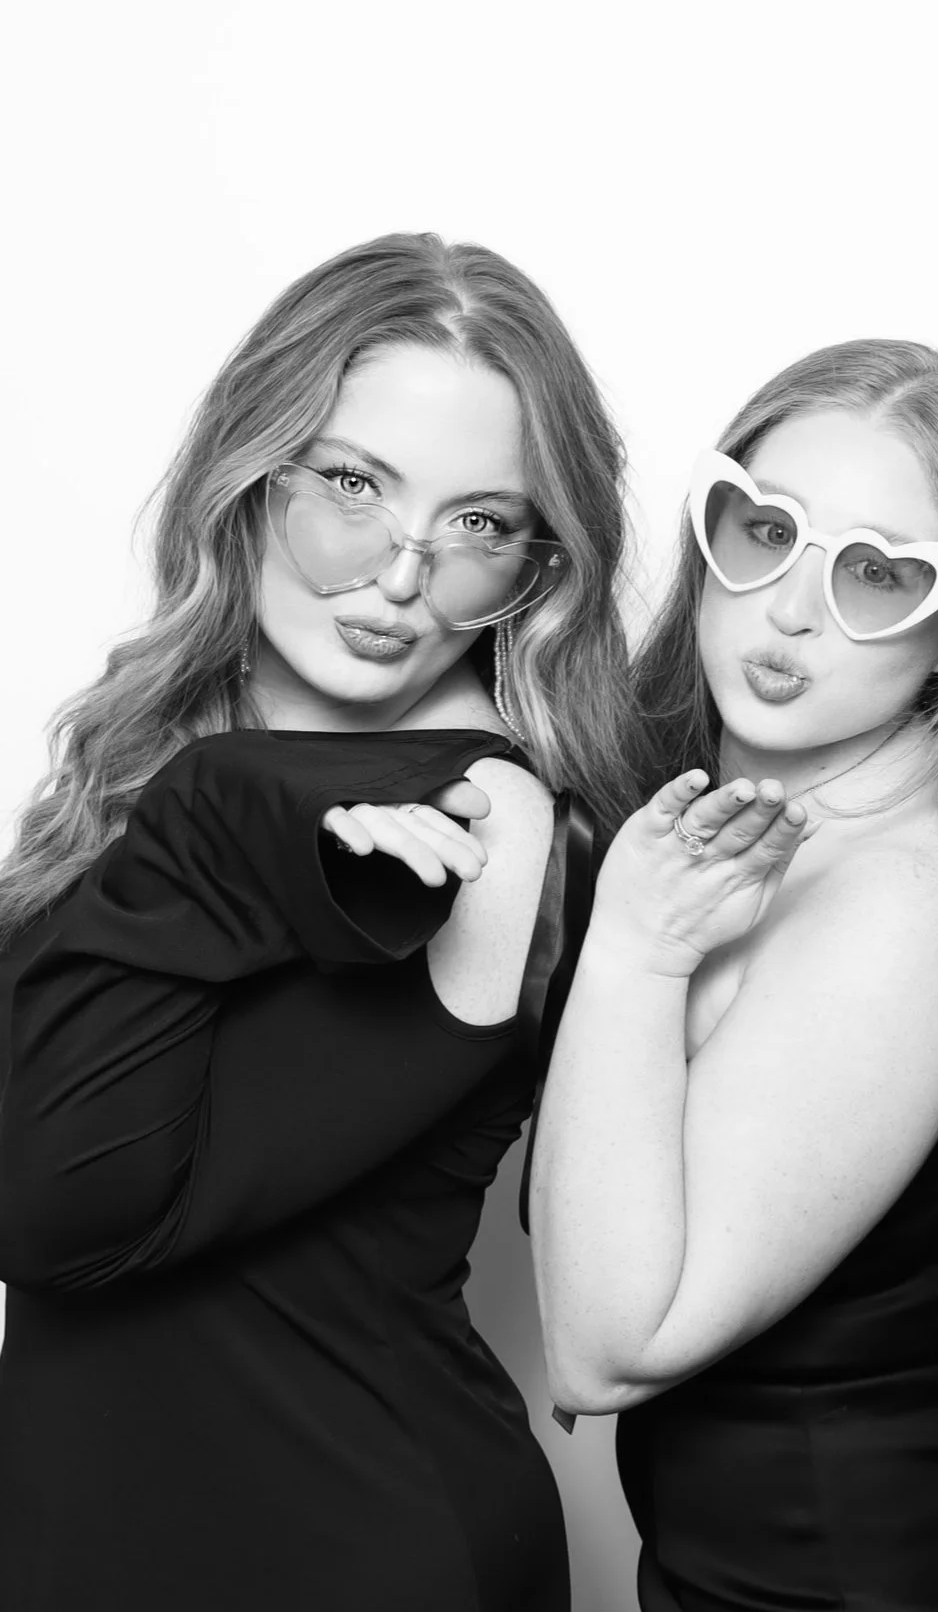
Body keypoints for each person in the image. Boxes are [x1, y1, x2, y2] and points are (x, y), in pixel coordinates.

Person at [0, 232, 637, 1612]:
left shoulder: (481, 825)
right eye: (353, 486)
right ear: (252, 470)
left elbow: (58, 1214)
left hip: (350, 1545)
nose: (402, 577)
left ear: (538, 565)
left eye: (480, 525)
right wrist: (216, 798)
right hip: (82, 1542)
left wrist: (212, 809)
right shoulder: (152, 751)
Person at [532, 341, 938, 1612]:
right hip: (753, 1554)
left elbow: (607, 1347)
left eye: (878, 574)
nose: (792, 610)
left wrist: (632, 954)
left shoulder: (902, 897)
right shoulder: (718, 834)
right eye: (764, 530)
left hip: (861, 1572)